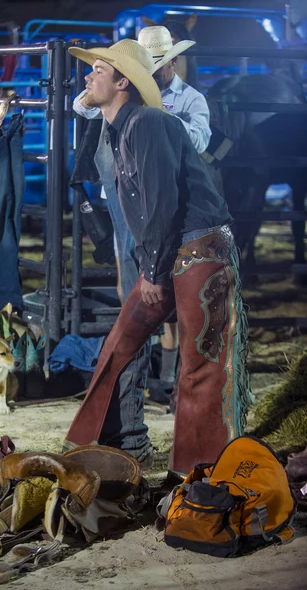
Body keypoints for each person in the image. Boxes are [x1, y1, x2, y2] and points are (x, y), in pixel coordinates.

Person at [64, 39, 251, 475]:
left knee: (200, 364)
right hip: (174, 249)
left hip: (200, 250)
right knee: (121, 342)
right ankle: (112, 447)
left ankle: (198, 473)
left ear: (122, 81)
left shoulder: (148, 124)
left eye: (99, 70)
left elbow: (162, 205)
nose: (89, 75)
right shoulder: (118, 126)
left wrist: (152, 270)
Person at [73, 26, 211, 401]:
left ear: (173, 63)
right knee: (133, 280)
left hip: (161, 212)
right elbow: (80, 105)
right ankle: (150, 378)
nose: (153, 71)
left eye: (159, 65)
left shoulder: (176, 107)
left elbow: (197, 143)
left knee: (161, 288)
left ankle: (167, 377)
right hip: (130, 206)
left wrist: (162, 119)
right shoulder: (126, 110)